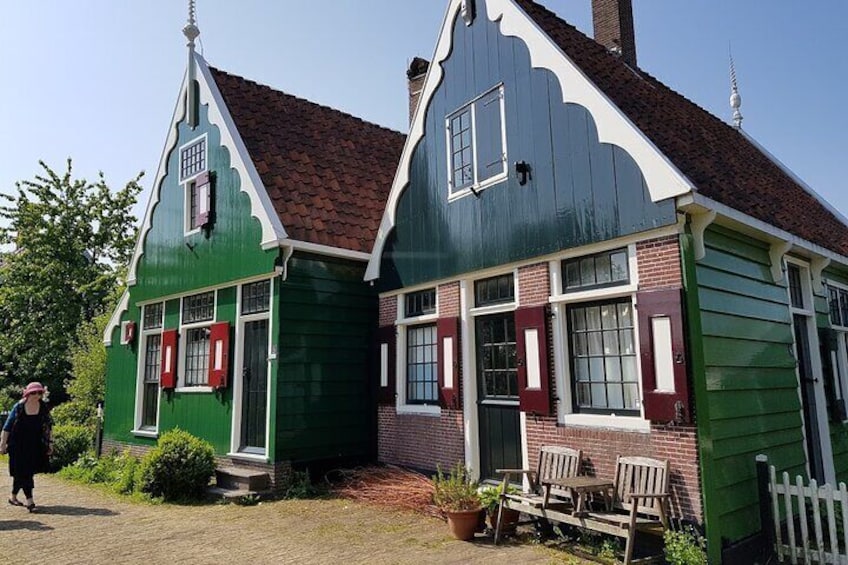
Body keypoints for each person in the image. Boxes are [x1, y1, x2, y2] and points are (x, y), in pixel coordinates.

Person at [0, 382, 53, 512]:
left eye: (39, 393)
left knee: (22, 473)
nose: (37, 395)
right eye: (34, 393)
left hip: (34, 445)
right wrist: (2, 444)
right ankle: (30, 501)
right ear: (28, 393)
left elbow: (48, 427)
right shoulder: (18, 407)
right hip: (17, 445)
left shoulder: (43, 407)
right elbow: (7, 428)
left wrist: (50, 443)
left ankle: (13, 497)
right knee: (25, 473)